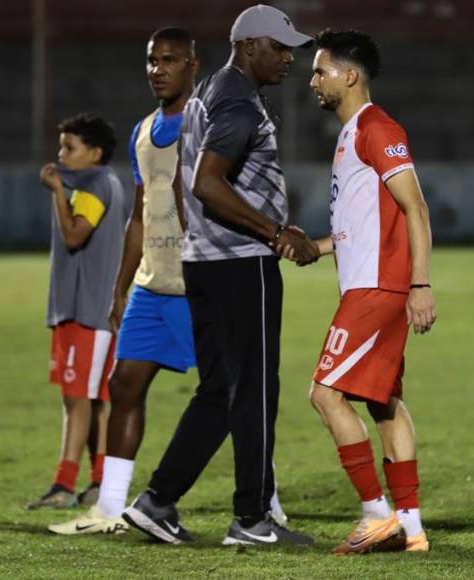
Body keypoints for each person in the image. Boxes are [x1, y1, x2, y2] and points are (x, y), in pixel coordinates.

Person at [121, 5, 318, 546]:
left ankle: (157, 501)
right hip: (240, 263)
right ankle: (252, 518)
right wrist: (274, 233)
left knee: (220, 392)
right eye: (279, 48)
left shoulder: (211, 89)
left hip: (205, 259)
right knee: (254, 391)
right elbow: (209, 183)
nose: (287, 59)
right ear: (250, 45)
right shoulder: (236, 99)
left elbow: (193, 184)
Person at [301, 29, 435, 554]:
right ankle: (413, 528)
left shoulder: (377, 128)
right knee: (384, 403)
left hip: (377, 290)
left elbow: (415, 209)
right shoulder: (352, 133)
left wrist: (419, 284)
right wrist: (320, 246)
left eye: (320, 71)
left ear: (349, 75)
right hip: (368, 283)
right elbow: (365, 220)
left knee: (325, 394)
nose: (313, 80)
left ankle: (376, 515)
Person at [28, 113, 127, 510]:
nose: (61, 155)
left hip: (85, 311)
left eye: (70, 147)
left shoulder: (95, 187)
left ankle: (64, 486)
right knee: (94, 398)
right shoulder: (103, 183)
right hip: (93, 310)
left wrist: (55, 191)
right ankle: (99, 481)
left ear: (95, 153)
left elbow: (74, 236)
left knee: (76, 399)